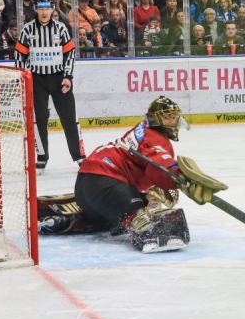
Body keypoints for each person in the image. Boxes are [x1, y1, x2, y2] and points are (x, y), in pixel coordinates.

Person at [41, 97, 223, 253]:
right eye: (167, 117)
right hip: (106, 182)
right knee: (140, 215)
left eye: (174, 117)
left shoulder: (144, 127)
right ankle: (146, 231)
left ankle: (78, 219)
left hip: (88, 186)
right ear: (156, 118)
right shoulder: (155, 138)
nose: (173, 121)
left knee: (118, 218)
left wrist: (155, 190)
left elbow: (145, 166)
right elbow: (158, 162)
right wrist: (178, 177)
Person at [14, 0, 85, 171]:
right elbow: (19, 56)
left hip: (60, 79)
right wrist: (23, 79)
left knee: (69, 117)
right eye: (41, 9)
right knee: (39, 119)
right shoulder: (27, 30)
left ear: (53, 9)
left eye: (47, 8)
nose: (44, 12)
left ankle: (79, 155)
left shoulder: (61, 28)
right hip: (37, 80)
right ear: (36, 9)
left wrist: (68, 76)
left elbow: (70, 54)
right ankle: (42, 156)